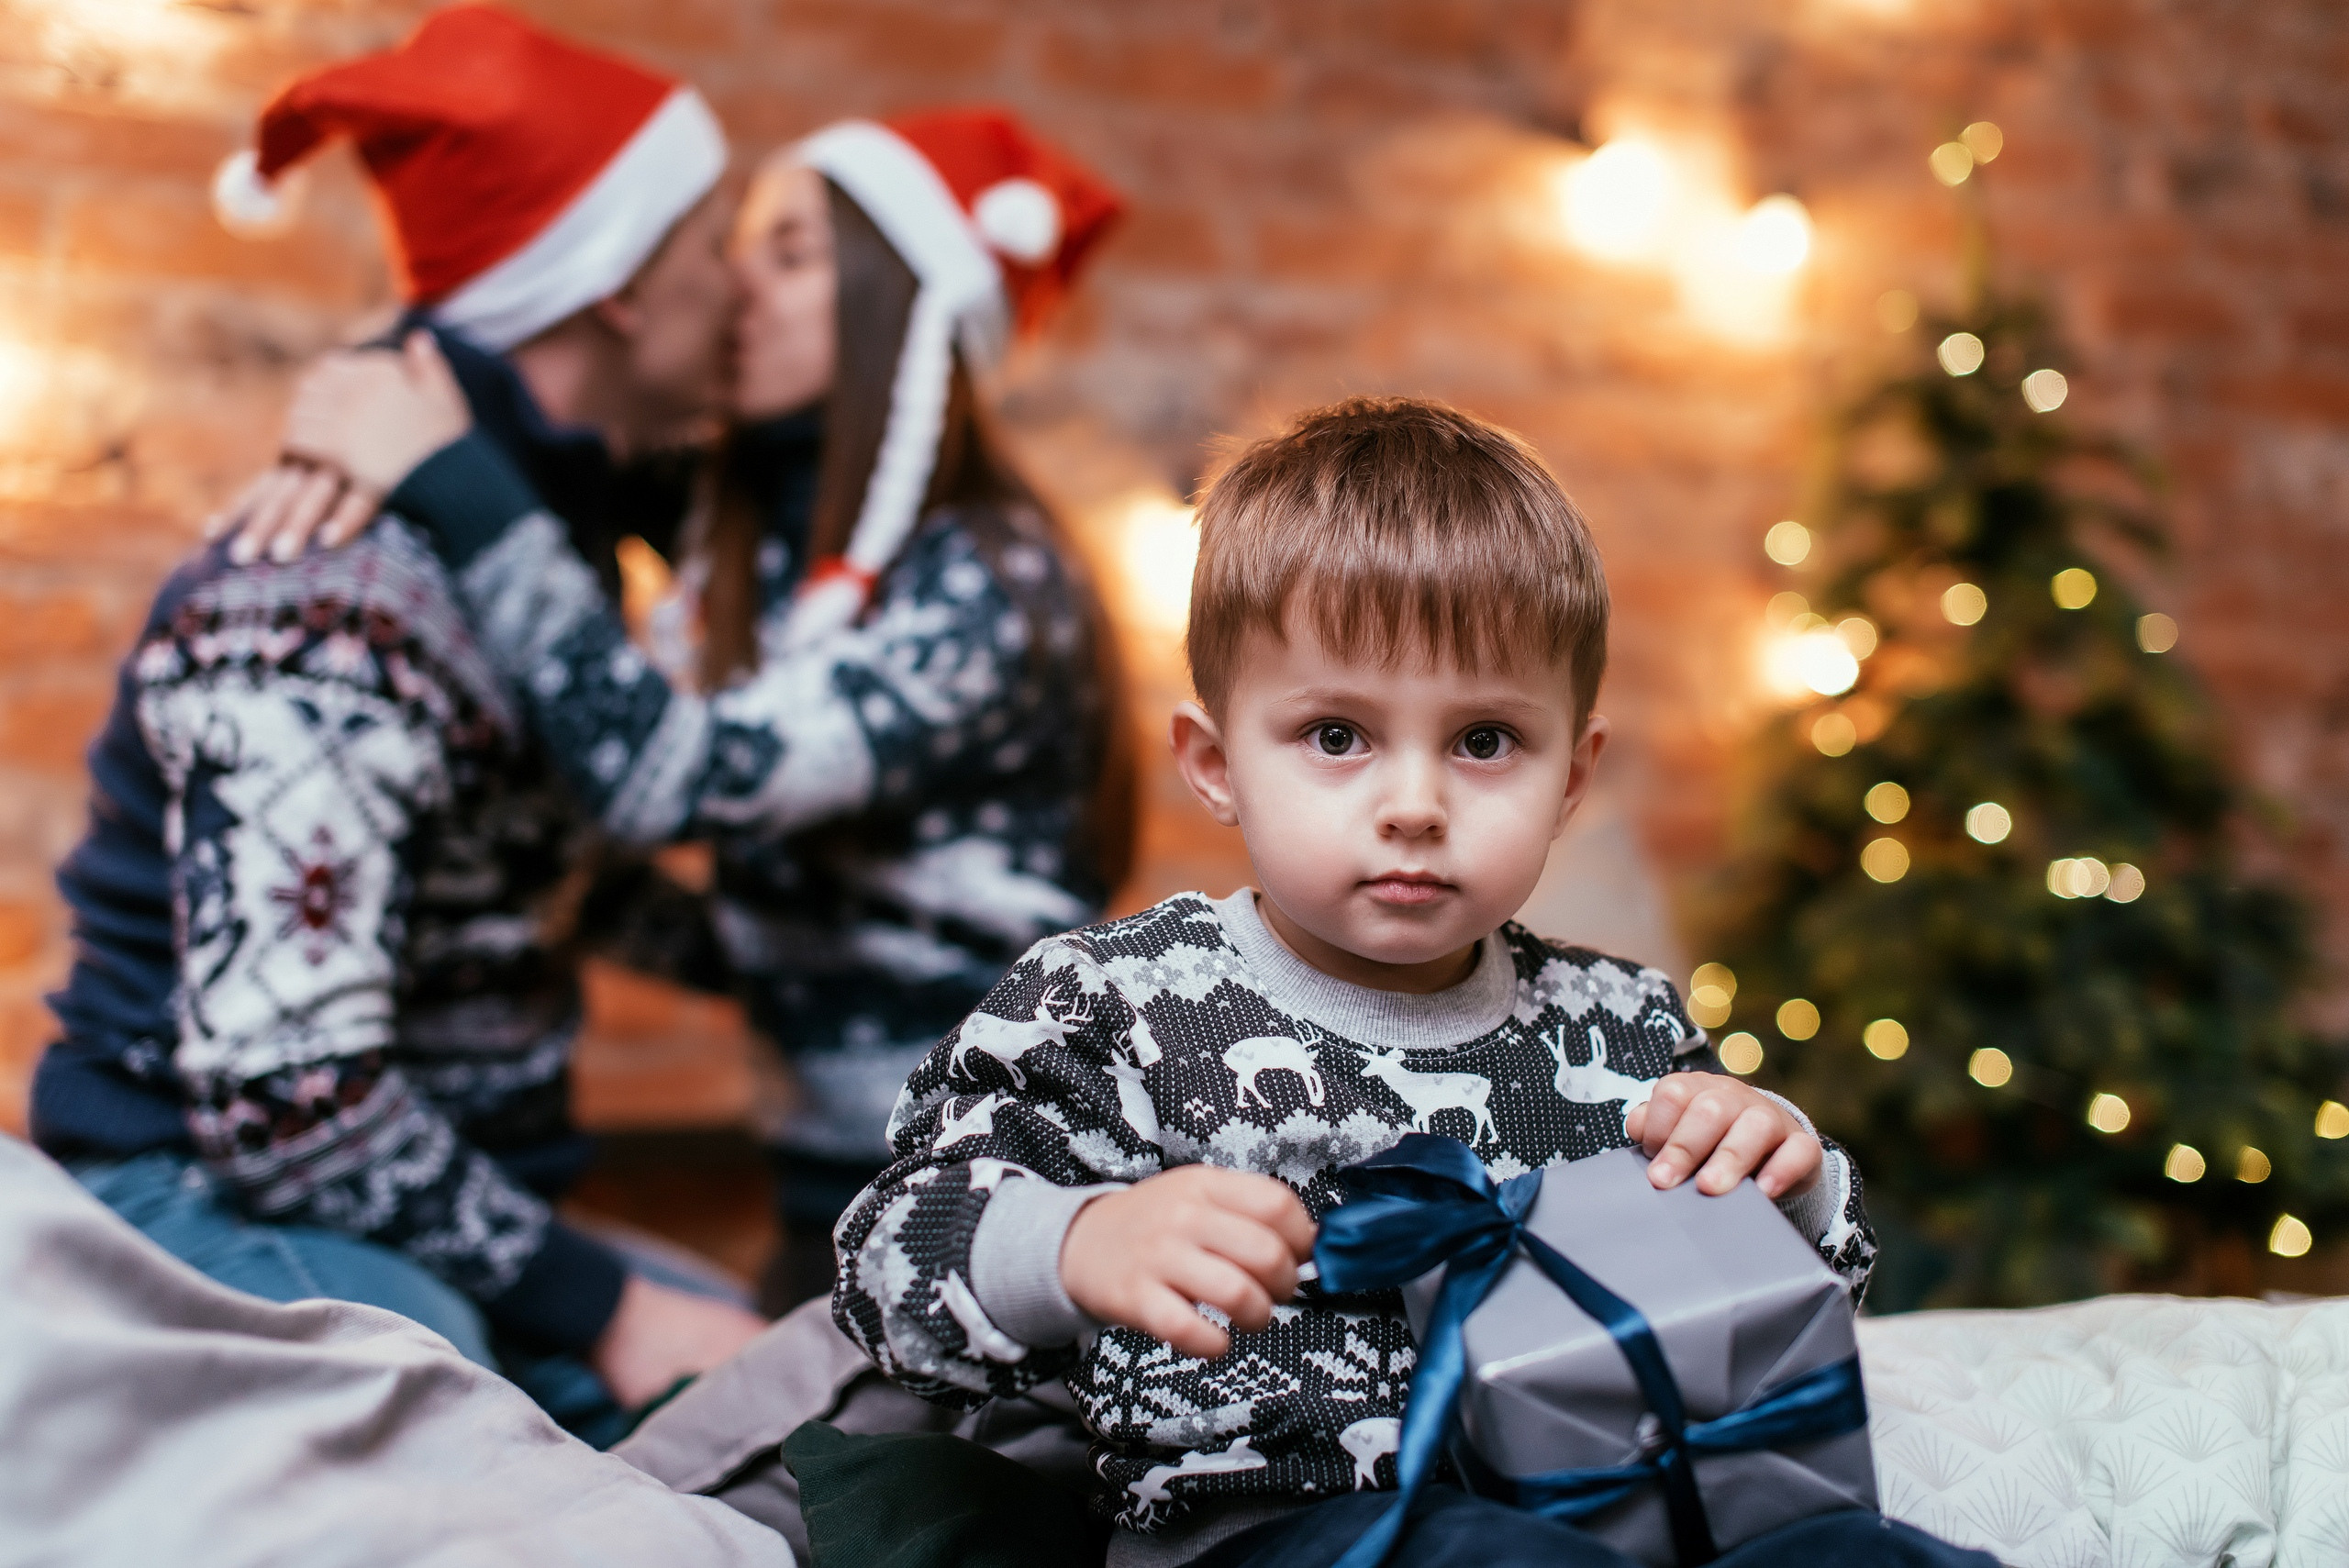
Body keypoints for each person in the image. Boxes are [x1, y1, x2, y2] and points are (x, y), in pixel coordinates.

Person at [825, 399, 1987, 1568]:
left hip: (1614, 1506)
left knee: (1865, 1553)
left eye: (1484, 740)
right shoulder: (1113, 1004)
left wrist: (1785, 1174)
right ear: (1216, 764)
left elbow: (1801, 1309)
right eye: (1337, 735)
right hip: (1275, 1536)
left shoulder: (1625, 1024)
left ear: (1569, 776)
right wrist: (1079, 1240)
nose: (1415, 805)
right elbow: (886, 1262)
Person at [238, 107, 1136, 1308]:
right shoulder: (748, 531)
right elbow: (538, 401)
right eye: (736, 247)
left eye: (791, 253)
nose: (735, 285)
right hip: (830, 1184)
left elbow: (672, 778)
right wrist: (371, 391)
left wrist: (447, 472)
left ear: (901, 308)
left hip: (1013, 1200)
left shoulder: (987, 577)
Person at [29, 4, 765, 1446]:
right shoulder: (332, 599)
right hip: (218, 1193)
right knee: (489, 1467)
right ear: (621, 286)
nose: (739, 286)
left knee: (809, 1392)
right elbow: (286, 1099)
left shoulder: (525, 539)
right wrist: (609, 1308)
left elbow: (521, 868)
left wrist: (818, 966)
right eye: (716, 240)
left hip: (443, 1202)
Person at [0, 1132, 794, 1568]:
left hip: (472, 1176)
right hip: (244, 1179)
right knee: (456, 1452)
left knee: (759, 1364)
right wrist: (613, 1309)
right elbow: (288, 1102)